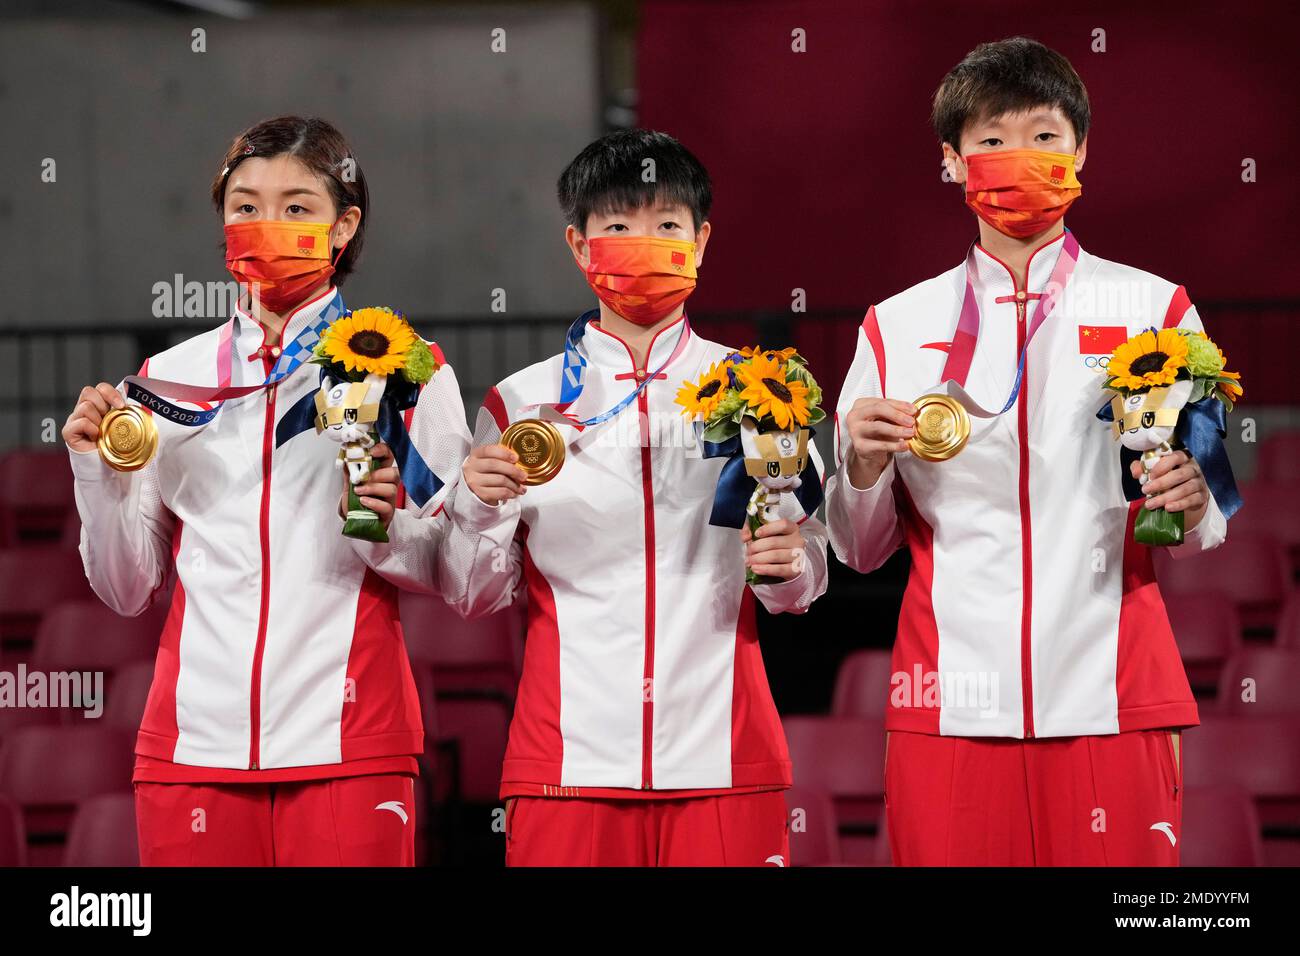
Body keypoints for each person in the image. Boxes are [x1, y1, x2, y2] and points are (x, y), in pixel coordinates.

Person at [825, 38, 1223, 866]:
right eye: (992, 139)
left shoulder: (1157, 306)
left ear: (1082, 150)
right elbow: (860, 550)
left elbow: (1205, 513)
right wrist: (860, 468)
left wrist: (1191, 498)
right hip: (952, 702)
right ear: (951, 160)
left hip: (1114, 693)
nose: (1021, 158)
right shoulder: (893, 325)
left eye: (1045, 136)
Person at [62, 116, 470, 866]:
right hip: (192, 750)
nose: (265, 225)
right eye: (245, 206)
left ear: (343, 226)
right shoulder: (164, 383)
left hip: (351, 743)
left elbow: (463, 576)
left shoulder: (407, 369)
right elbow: (127, 589)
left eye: (296, 207)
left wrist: (389, 528)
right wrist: (98, 473)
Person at [440, 129, 829, 866]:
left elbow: (806, 577)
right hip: (567, 766)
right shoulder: (519, 403)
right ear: (579, 245)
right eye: (617, 226)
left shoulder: (763, 389)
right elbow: (473, 592)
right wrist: (477, 507)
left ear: (702, 240)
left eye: (667, 226)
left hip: (724, 758)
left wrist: (789, 567)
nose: (642, 243)